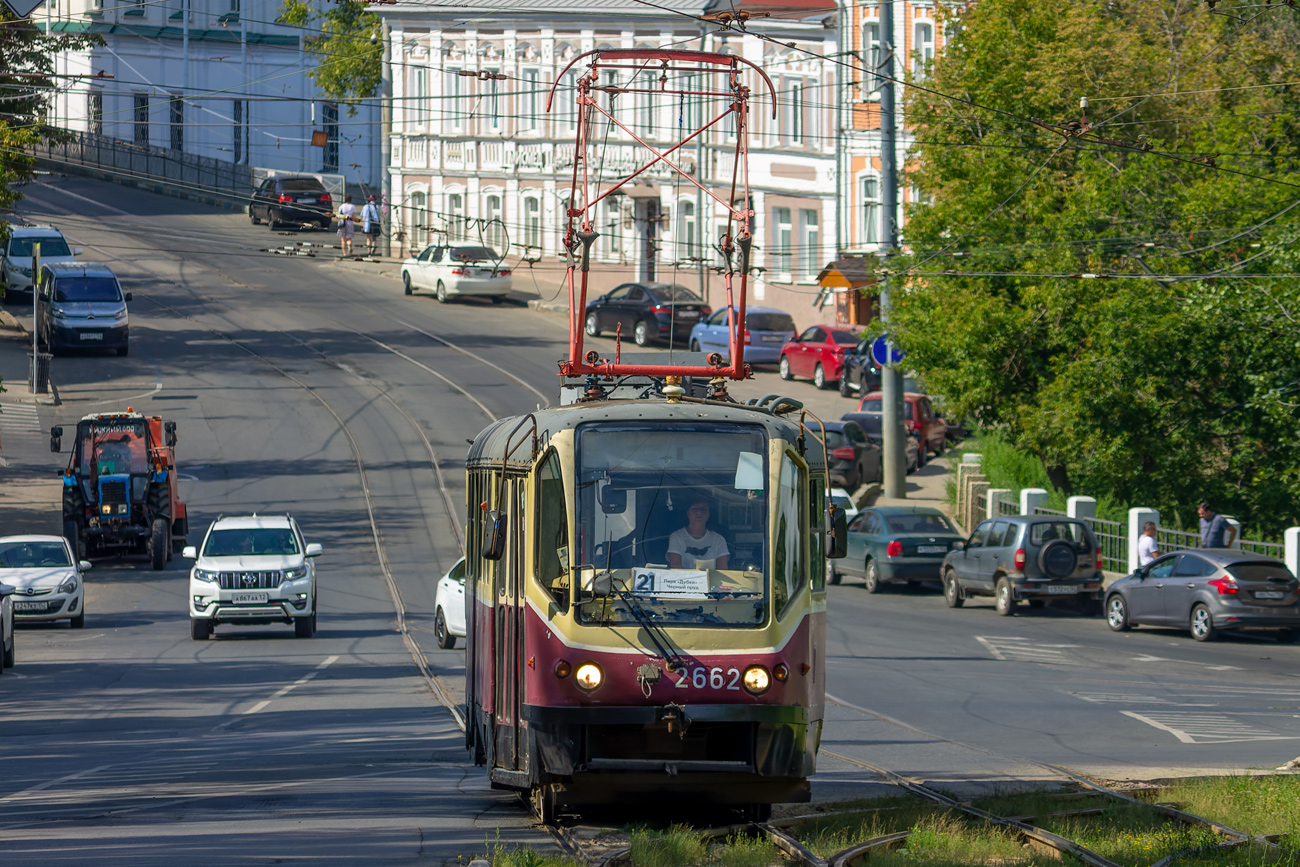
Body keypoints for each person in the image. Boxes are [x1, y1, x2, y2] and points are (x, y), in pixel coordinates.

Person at [667, 496, 729, 570]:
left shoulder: (719, 540)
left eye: (703, 510)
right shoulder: (676, 537)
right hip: (684, 581)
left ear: (709, 514)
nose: (699, 512)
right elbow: (675, 567)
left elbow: (723, 570)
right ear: (688, 513)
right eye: (694, 509)